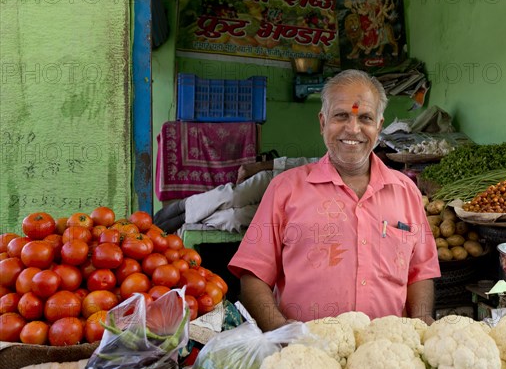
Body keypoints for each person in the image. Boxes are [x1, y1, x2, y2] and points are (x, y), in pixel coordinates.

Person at [228, 69, 441, 331]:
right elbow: (254, 275)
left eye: (365, 118)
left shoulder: (406, 192)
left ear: (379, 126)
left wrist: (421, 325)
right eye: (341, 116)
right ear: (322, 122)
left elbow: (420, 272)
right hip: (306, 352)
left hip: (387, 347)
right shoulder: (285, 189)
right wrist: (280, 332)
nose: (353, 129)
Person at [153, 157, 318, 234]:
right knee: (234, 196)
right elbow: (304, 163)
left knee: (235, 218)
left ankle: (186, 217)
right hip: (281, 180)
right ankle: (182, 207)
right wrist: (259, 166)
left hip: (288, 212)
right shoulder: (336, 161)